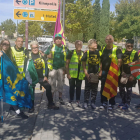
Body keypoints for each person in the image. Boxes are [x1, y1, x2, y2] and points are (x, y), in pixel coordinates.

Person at [24, 41, 59, 112]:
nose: (35, 49)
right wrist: (26, 77)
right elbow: (25, 67)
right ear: (31, 48)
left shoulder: (41, 55)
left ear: (38, 47)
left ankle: (50, 104)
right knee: (31, 90)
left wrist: (46, 76)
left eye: (36, 47)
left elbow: (46, 66)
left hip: (41, 77)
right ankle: (31, 106)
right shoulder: (28, 56)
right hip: (32, 77)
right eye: (33, 48)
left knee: (48, 87)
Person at [0, 39, 28, 119]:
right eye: (4, 43)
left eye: (7, 44)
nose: (5, 45)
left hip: (6, 79)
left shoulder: (8, 55)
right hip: (1, 78)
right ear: (1, 44)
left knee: (10, 94)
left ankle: (17, 111)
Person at [45, 34, 69, 105]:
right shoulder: (51, 47)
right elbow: (44, 54)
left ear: (62, 40)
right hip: (53, 69)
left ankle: (60, 98)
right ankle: (51, 99)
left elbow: (70, 55)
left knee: (61, 84)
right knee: (52, 84)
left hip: (61, 68)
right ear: (54, 40)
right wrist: (47, 55)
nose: (58, 40)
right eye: (57, 39)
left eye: (59, 39)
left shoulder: (65, 48)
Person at [100, 35, 122, 110]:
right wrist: (100, 71)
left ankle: (112, 103)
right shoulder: (103, 48)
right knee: (103, 87)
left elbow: (119, 61)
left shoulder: (116, 49)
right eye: (107, 39)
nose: (108, 40)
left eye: (110, 39)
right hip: (104, 71)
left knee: (112, 87)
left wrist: (116, 71)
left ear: (112, 40)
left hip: (113, 72)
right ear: (105, 40)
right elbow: (101, 61)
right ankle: (104, 102)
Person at [118, 39, 139, 110]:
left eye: (131, 46)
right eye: (128, 45)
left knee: (129, 89)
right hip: (123, 73)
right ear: (125, 45)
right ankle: (123, 101)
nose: (129, 47)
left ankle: (127, 103)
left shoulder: (135, 53)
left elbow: (137, 63)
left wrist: (133, 75)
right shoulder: (122, 52)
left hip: (131, 74)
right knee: (121, 88)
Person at [81, 39, 101, 109]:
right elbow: (83, 63)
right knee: (87, 89)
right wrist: (86, 73)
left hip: (96, 74)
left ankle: (93, 102)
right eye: (94, 43)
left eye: (96, 43)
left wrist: (100, 71)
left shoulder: (99, 52)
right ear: (90, 46)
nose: (96, 44)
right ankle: (86, 102)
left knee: (94, 89)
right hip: (88, 74)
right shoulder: (87, 53)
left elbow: (101, 62)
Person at [66, 40, 84, 107]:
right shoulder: (71, 53)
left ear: (82, 46)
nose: (79, 45)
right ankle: (71, 100)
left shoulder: (83, 53)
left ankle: (78, 100)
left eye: (80, 44)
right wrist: (68, 73)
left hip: (80, 74)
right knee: (71, 87)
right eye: (77, 44)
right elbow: (67, 63)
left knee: (79, 88)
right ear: (75, 45)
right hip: (72, 74)